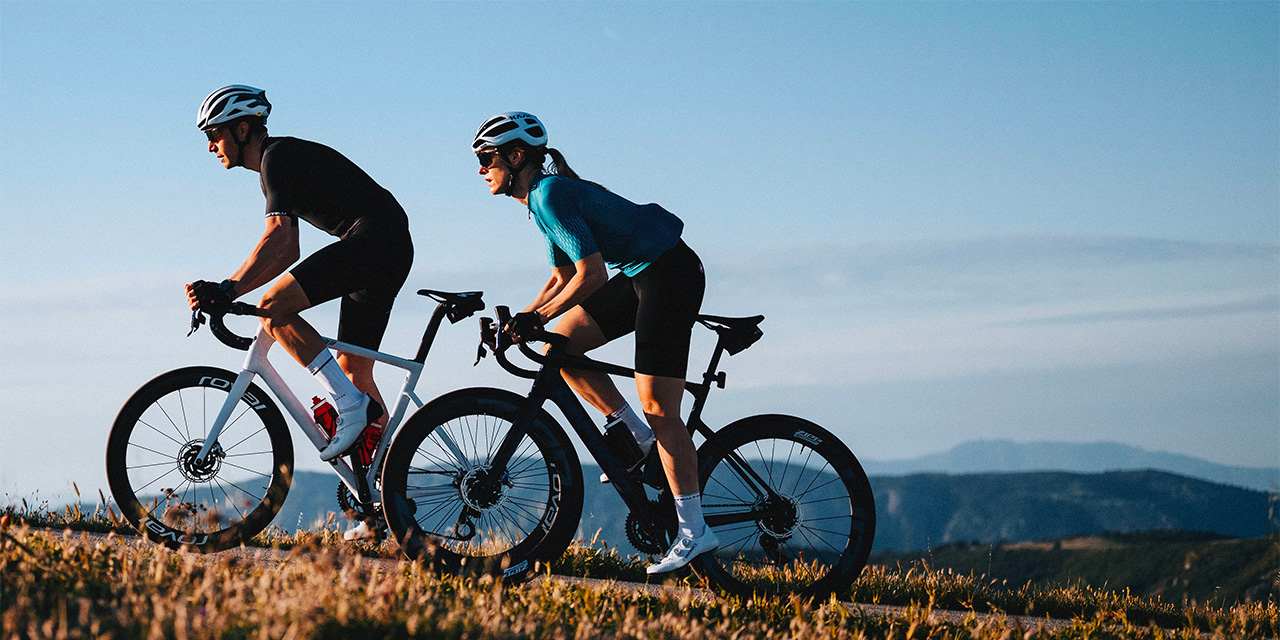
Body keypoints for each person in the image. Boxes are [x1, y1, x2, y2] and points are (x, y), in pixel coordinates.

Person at [472, 112, 718, 574]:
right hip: (640, 273)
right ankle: (638, 440)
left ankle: (694, 531)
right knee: (558, 346)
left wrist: (537, 317)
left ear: (516, 155)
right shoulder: (541, 200)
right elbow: (561, 277)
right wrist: (525, 318)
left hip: (669, 272)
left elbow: (592, 274)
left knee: (661, 407)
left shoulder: (548, 195)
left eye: (486, 159)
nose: (481, 170)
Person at [186, 85, 413, 464]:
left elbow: (283, 243)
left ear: (242, 130)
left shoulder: (277, 157)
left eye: (214, 134)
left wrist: (229, 289)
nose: (210, 146)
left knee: (272, 307)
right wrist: (231, 290)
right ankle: (383, 490)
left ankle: (351, 408)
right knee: (353, 371)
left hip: (376, 241)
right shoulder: (275, 163)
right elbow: (284, 247)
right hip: (386, 246)